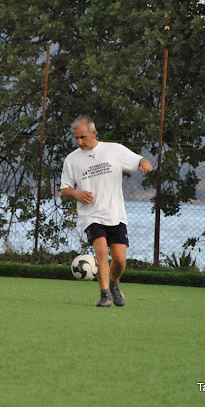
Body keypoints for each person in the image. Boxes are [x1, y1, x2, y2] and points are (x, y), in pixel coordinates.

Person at [60, 115, 153, 307]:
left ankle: (114, 284)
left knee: (119, 260)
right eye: (76, 138)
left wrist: (144, 163)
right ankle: (104, 296)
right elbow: (64, 189)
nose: (79, 142)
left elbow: (138, 159)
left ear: (94, 133)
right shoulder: (72, 159)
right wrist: (77, 193)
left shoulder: (113, 150)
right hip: (91, 215)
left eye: (83, 137)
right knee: (101, 252)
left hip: (115, 214)